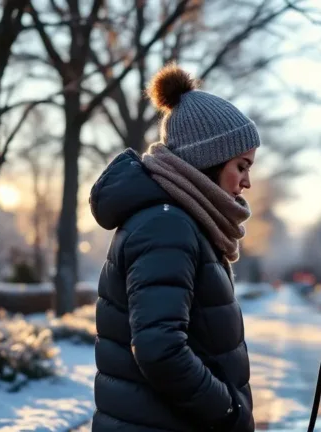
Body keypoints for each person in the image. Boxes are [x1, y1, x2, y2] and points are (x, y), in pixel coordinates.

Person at [89, 63, 258, 431]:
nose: (247, 182)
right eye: (241, 166)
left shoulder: (182, 222)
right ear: (208, 159)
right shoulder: (167, 227)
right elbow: (160, 349)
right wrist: (227, 410)